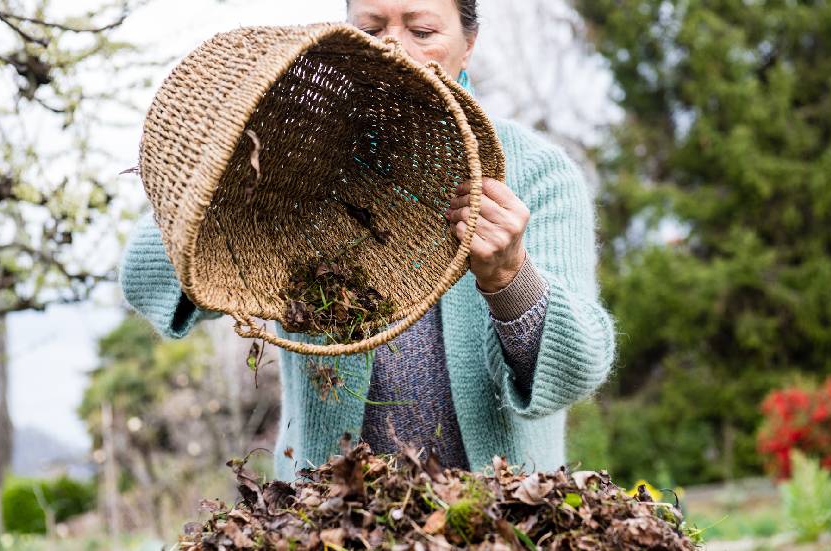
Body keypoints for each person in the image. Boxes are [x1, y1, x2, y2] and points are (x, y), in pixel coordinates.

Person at [120, 0, 616, 481]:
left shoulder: (538, 173)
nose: (394, 48)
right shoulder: (310, 159)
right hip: (327, 522)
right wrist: (238, 167)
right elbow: (144, 276)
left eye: (422, 31)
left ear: (468, 44)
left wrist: (510, 278)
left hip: (495, 519)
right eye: (371, 28)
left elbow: (575, 370)